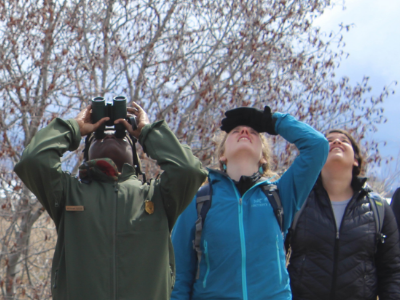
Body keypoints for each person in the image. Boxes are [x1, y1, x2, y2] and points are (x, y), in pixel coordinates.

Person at [14, 102, 207, 300]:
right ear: (86, 155)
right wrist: (74, 127)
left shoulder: (157, 196)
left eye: (121, 135)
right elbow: (33, 160)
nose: (109, 135)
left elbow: (188, 170)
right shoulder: (68, 193)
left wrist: (147, 133)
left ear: (135, 159)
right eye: (97, 137)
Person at [171, 106, 329, 300]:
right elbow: (178, 276)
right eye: (235, 131)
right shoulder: (198, 200)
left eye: (254, 132)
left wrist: (272, 122)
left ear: (263, 157)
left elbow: (318, 145)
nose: (244, 131)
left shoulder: (281, 195)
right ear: (222, 155)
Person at [287, 129, 400, 300]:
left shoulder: (379, 208)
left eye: (344, 141)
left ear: (355, 160)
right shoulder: (297, 202)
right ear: (318, 156)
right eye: (329, 141)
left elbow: (392, 272)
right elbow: (274, 261)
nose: (337, 142)